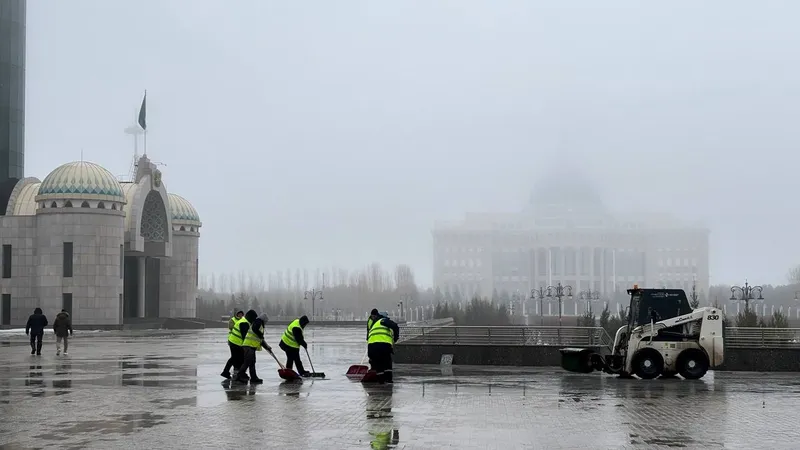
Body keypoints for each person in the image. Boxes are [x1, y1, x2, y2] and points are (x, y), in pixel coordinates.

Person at [235, 313, 271, 384]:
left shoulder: (258, 324)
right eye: (266, 321)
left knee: (252, 362)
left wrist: (267, 347)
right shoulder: (258, 322)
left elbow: (260, 339)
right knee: (247, 362)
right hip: (249, 346)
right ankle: (240, 375)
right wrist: (261, 335)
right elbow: (256, 331)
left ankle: (254, 378)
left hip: (251, 346)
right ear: (264, 320)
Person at [367, 310, 400, 383]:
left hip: (371, 347)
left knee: (378, 365)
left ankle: (381, 381)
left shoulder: (374, 324)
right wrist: (395, 338)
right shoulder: (383, 320)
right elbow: (395, 326)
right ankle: (388, 380)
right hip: (383, 345)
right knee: (387, 362)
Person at [220, 310, 246, 379]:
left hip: (238, 341)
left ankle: (236, 370)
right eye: (239, 314)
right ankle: (229, 371)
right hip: (234, 340)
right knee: (234, 357)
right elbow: (231, 327)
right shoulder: (233, 320)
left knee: (237, 357)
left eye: (241, 314)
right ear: (237, 314)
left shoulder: (243, 320)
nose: (240, 315)